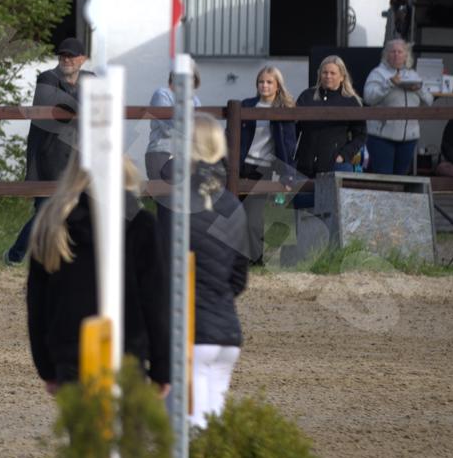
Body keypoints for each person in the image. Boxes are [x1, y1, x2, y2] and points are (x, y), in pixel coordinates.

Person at [24, 156, 169, 396]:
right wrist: (162, 368)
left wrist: (47, 368)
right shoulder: (141, 224)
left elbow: (37, 304)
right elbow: (155, 302)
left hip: (72, 356)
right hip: (127, 355)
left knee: (84, 422)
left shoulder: (53, 222)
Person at [158, 115, 248, 428]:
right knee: (212, 431)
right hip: (227, 334)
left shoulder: (173, 203)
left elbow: (162, 271)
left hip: (192, 333)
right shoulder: (234, 205)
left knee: (187, 432)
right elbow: (239, 278)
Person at [4, 37, 92, 265]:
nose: (66, 59)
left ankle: (68, 257)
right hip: (48, 157)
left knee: (81, 209)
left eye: (71, 56)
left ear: (82, 59)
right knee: (46, 212)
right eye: (63, 55)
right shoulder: (47, 78)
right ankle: (16, 253)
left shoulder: (91, 79)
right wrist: (82, 101)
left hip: (79, 158)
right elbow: (56, 112)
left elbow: (100, 107)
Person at [237, 65, 300, 263]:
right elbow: (231, 137)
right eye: (261, 82)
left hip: (264, 168)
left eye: (269, 82)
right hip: (241, 167)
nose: (264, 85)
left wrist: (288, 174)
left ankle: (255, 261)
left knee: (253, 218)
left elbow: (289, 146)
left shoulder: (284, 110)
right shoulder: (246, 105)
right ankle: (241, 260)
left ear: (277, 85)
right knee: (237, 217)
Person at [363, 39, 434, 175]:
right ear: (386, 55)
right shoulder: (377, 73)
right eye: (392, 52)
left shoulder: (414, 75)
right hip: (381, 136)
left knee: (401, 178)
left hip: (409, 137)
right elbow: (369, 98)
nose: (396, 55)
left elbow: (429, 101)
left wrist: (419, 89)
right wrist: (389, 84)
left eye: (400, 52)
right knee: (384, 177)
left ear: (406, 55)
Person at [294, 56, 366, 179]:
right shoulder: (307, 96)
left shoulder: (351, 101)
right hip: (304, 165)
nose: (328, 76)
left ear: (342, 77)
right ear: (319, 74)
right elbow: (294, 129)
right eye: (325, 72)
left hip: (335, 166)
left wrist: (343, 156)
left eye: (333, 73)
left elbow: (361, 135)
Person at [145, 64, 200, 182]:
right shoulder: (162, 94)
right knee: (162, 192)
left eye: (192, 78)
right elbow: (168, 129)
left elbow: (200, 129)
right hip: (163, 152)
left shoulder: (194, 100)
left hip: (187, 155)